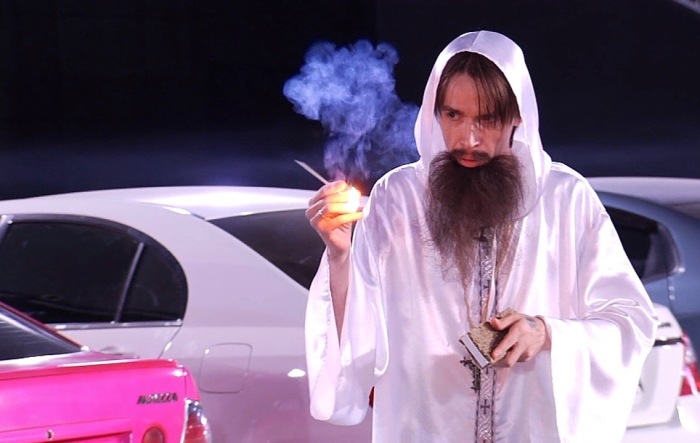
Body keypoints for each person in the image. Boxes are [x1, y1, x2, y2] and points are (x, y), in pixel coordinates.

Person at [304, 30, 657, 442]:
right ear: (435, 113)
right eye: (453, 116)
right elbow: (359, 334)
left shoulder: (565, 199)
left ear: (517, 116)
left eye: (486, 120)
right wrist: (340, 256)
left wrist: (545, 333)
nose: (468, 140)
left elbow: (630, 320)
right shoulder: (397, 199)